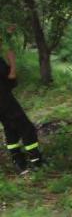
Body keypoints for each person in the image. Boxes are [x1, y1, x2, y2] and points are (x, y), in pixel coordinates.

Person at [0, 29, 42, 174]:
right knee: (27, 128)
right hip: (4, 100)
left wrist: (9, 35)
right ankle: (36, 160)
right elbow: (11, 78)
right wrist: (12, 61)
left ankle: (19, 163)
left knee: (10, 128)